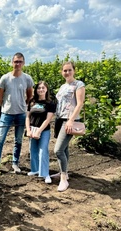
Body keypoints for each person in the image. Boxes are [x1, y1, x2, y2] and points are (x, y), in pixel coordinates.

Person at [0, 52, 34, 174]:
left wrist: (23, 106)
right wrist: (6, 107)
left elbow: (30, 96)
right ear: (12, 62)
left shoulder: (27, 78)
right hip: (6, 114)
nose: (18, 64)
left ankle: (15, 163)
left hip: (21, 114)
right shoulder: (5, 78)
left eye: (20, 61)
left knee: (18, 140)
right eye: (15, 61)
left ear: (23, 63)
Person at [52, 61, 85, 192]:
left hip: (69, 120)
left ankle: (64, 179)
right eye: (65, 70)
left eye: (69, 70)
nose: (67, 72)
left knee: (58, 150)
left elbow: (80, 103)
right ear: (61, 72)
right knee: (64, 149)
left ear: (74, 70)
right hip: (60, 119)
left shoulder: (79, 84)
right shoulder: (62, 86)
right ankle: (62, 172)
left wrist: (71, 120)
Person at [25, 81, 56, 183]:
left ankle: (45, 174)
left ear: (46, 89)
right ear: (36, 90)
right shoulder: (32, 101)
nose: (41, 90)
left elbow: (48, 120)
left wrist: (39, 131)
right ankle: (35, 170)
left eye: (43, 88)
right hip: (32, 130)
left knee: (43, 151)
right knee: (32, 150)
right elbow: (27, 117)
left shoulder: (50, 103)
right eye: (39, 88)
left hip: (44, 130)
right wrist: (28, 130)